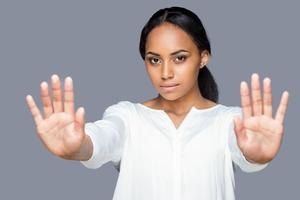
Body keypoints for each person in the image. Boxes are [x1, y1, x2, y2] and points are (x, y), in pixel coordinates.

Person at [25, 6, 289, 200]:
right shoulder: (128, 117)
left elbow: (244, 148)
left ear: (203, 57)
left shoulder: (230, 122)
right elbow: (103, 137)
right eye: (154, 60)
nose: (165, 73)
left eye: (179, 58)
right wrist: (79, 146)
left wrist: (256, 155)